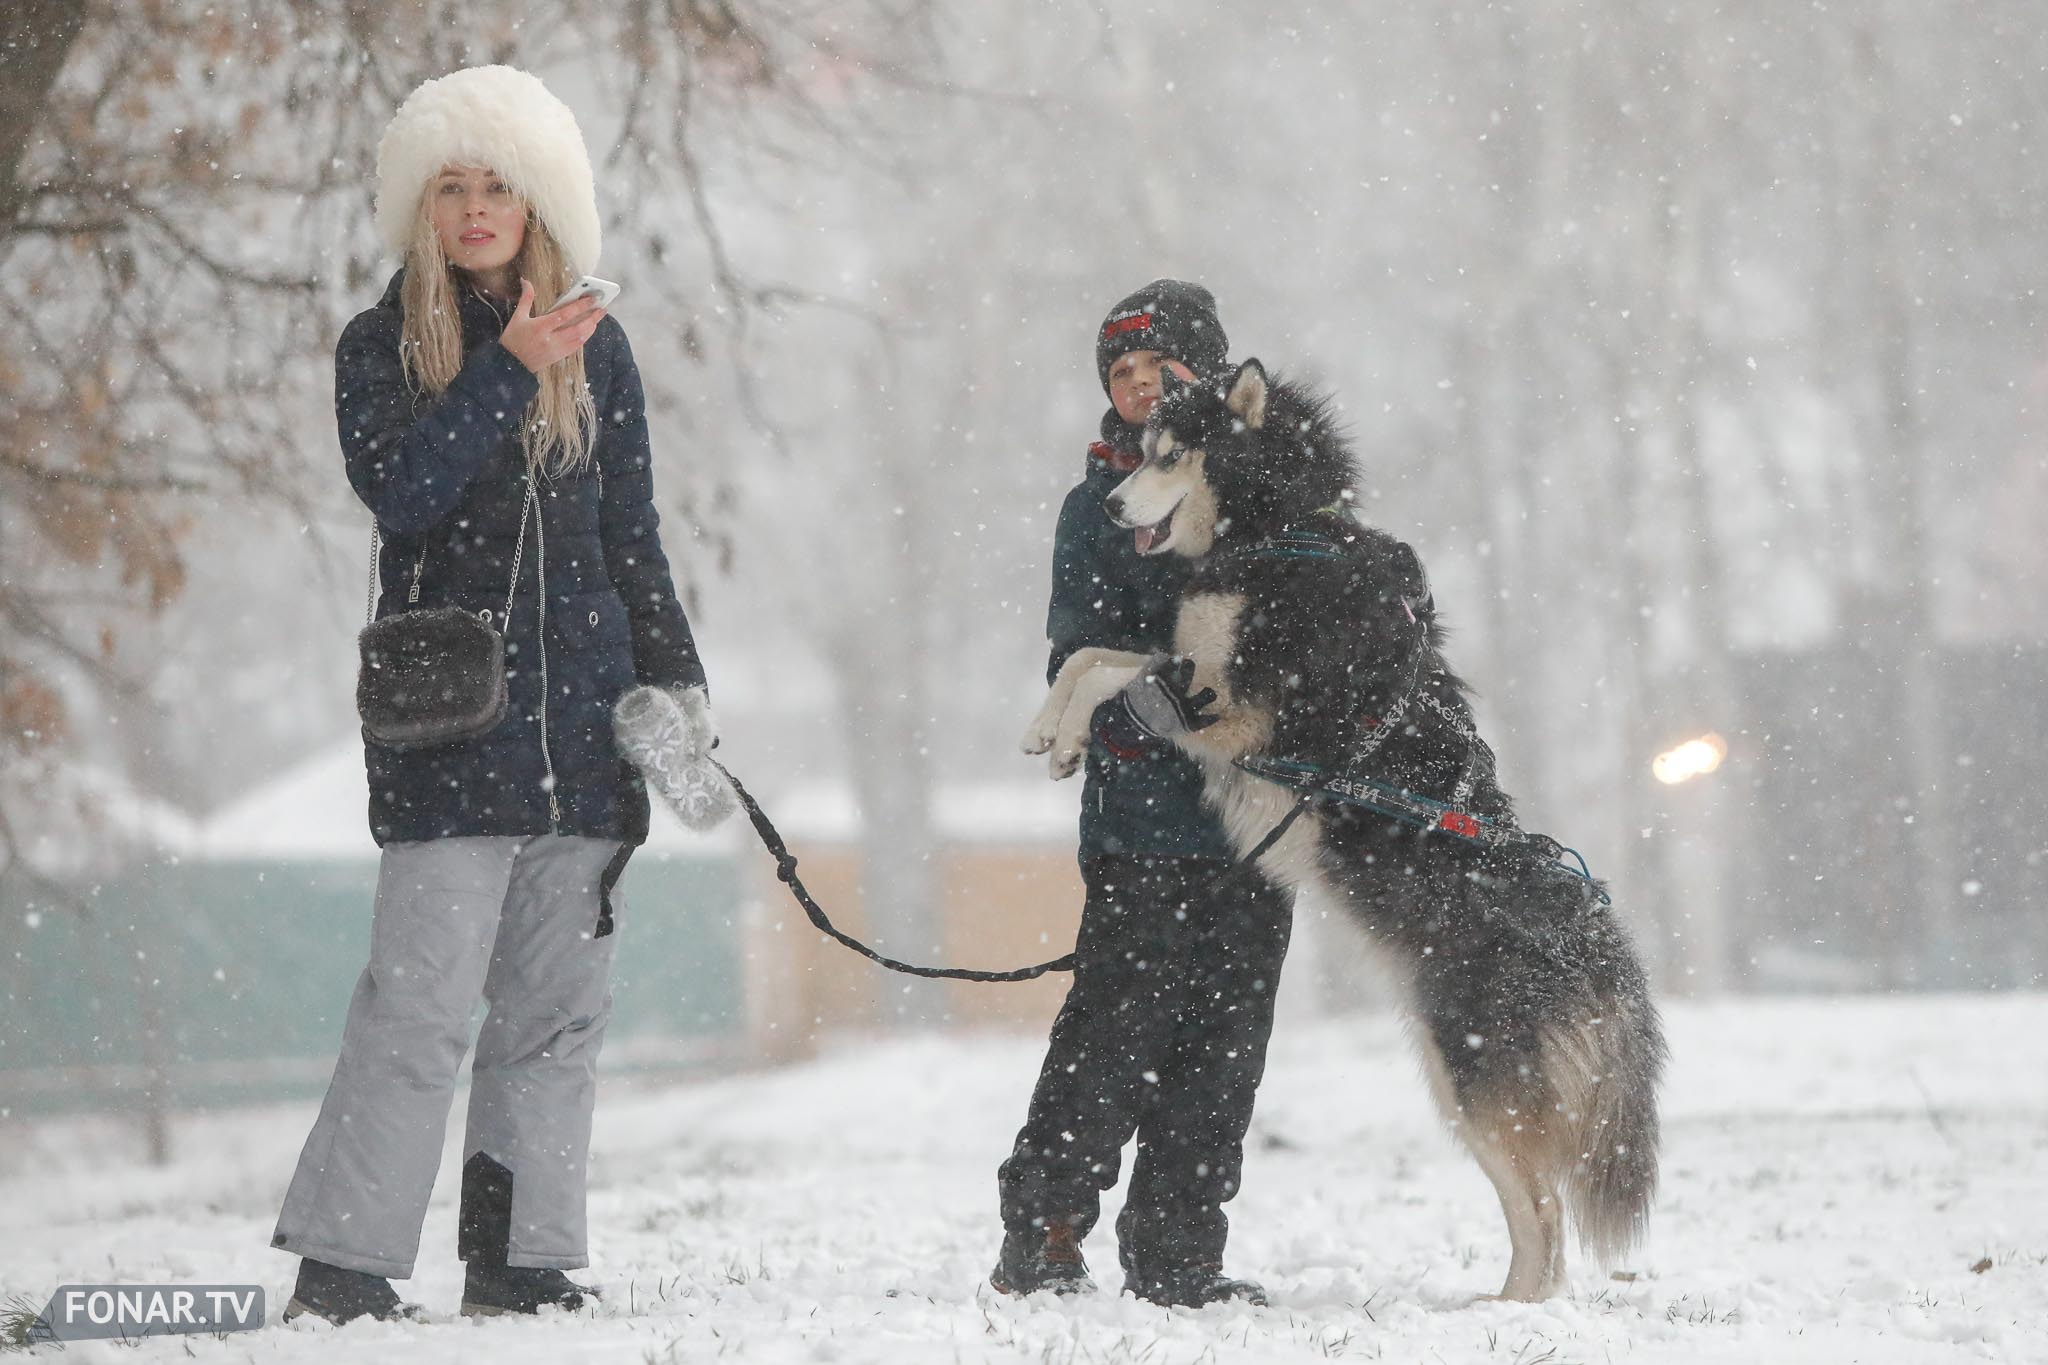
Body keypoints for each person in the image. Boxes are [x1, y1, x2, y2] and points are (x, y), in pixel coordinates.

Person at [271, 65, 710, 1324]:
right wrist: (504, 369)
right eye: (452, 186)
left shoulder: (600, 345)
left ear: (538, 204)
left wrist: (675, 686)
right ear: (421, 204)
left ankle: (518, 1260)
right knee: (415, 1011)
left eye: (498, 186)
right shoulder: (382, 344)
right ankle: (344, 1271)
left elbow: (632, 535)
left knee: (555, 1016)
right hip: (446, 730)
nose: (474, 209)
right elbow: (401, 495)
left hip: (583, 733)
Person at [992, 281, 1294, 1308]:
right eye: (1117, 376)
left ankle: (1179, 1256)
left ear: (1201, 377)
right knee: (1115, 1032)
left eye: (1154, 371)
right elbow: (1073, 652)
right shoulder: (1098, 508)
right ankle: (1044, 1228)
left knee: (1222, 1054)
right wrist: (1160, 710)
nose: (1133, 390)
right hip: (1145, 825)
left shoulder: (1266, 494)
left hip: (1257, 828)